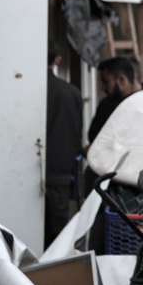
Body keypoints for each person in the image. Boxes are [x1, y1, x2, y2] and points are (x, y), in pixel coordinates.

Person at [45, 41, 83, 249]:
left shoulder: (21, 90)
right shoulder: (71, 93)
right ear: (57, 60)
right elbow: (77, 141)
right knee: (56, 240)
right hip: (59, 177)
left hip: (20, 176)